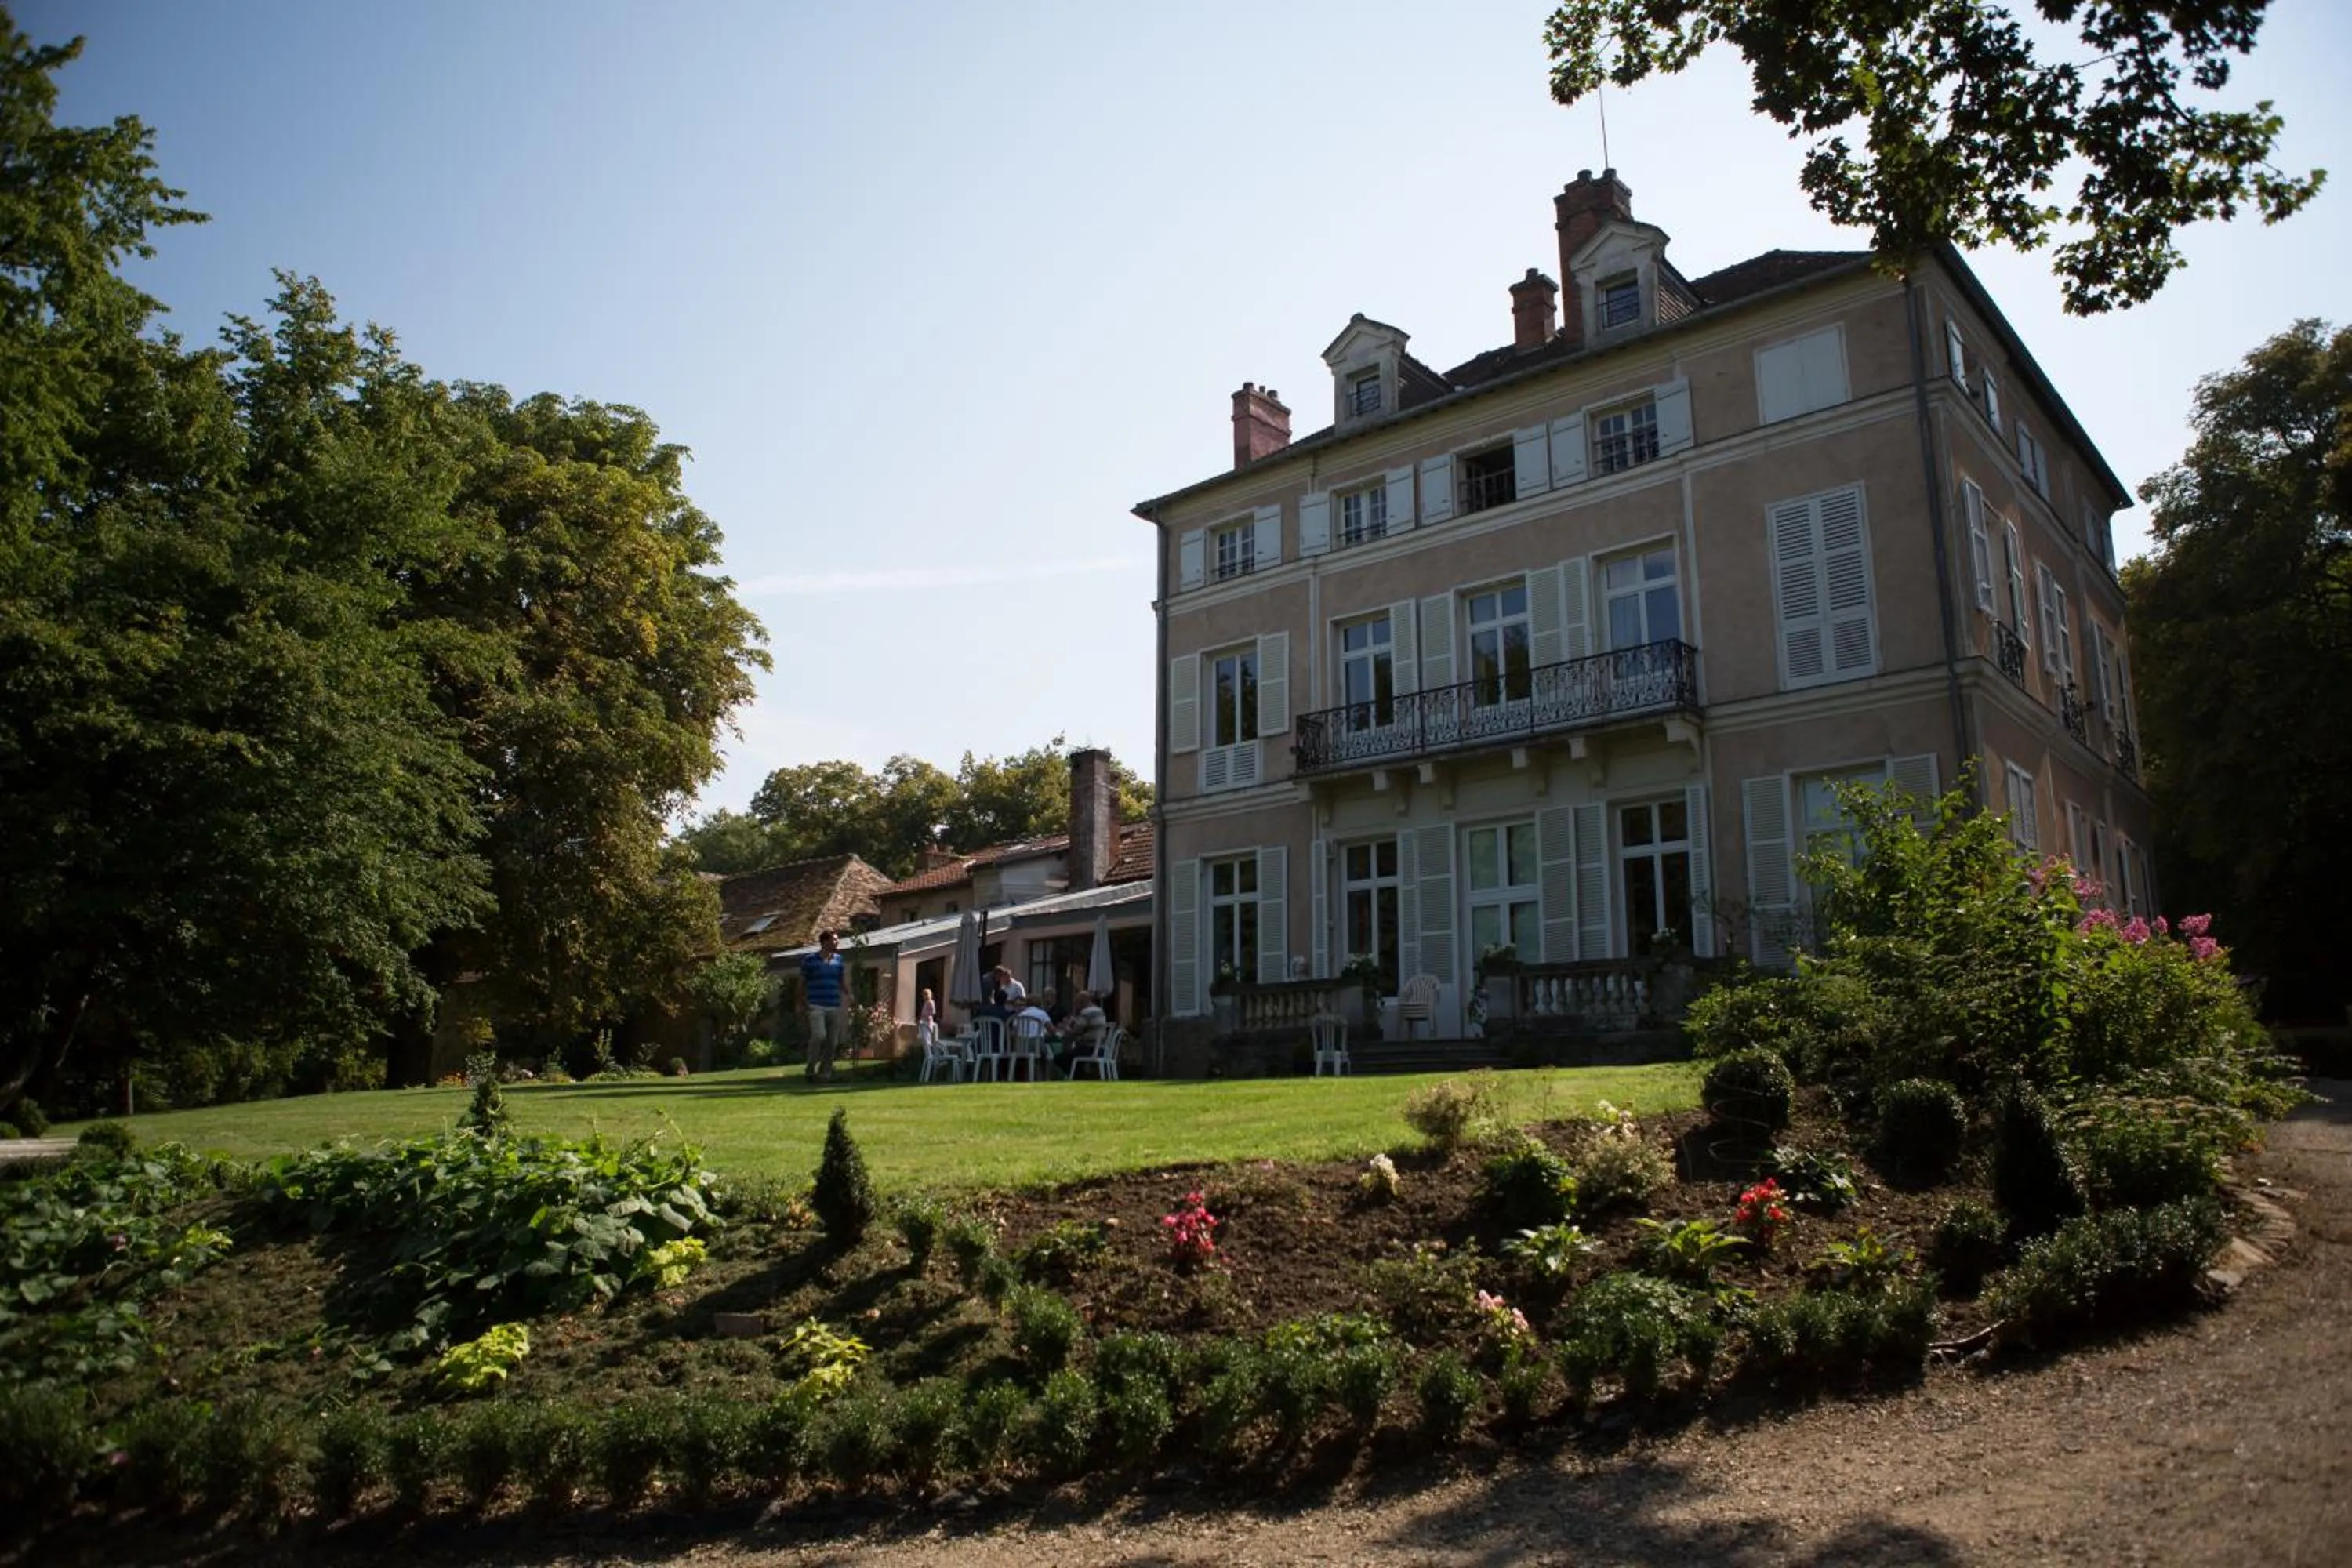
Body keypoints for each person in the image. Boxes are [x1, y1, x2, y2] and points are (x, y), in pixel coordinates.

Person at [800, 929, 848, 1082]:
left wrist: (849, 994)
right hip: (816, 1005)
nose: (837, 942)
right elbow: (801, 983)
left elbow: (841, 981)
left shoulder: (839, 960)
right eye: (834, 940)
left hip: (834, 1004)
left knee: (832, 1042)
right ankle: (811, 1066)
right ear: (825, 942)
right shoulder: (810, 960)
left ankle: (825, 1073)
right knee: (819, 1035)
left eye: (837, 939)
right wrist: (799, 1004)